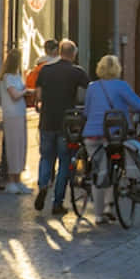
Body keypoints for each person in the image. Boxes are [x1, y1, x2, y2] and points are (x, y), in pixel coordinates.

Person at [81, 55, 140, 216]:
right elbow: (139, 106)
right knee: (126, 155)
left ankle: (98, 215)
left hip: (92, 136)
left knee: (99, 171)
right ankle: (114, 200)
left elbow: (86, 111)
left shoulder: (92, 87)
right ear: (117, 69)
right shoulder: (122, 86)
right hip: (115, 135)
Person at [34, 39, 90, 213]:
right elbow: (92, 90)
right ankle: (57, 202)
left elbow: (38, 96)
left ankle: (43, 185)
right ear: (73, 54)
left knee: (46, 157)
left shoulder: (45, 70)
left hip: (46, 121)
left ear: (59, 52)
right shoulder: (76, 72)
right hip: (66, 124)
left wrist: (41, 107)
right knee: (65, 161)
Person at [0, 48, 29, 193]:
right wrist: (26, 92)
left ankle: (18, 179)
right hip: (11, 115)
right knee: (13, 146)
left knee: (21, 146)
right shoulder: (7, 78)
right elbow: (14, 95)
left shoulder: (17, 76)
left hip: (20, 113)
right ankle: (11, 179)